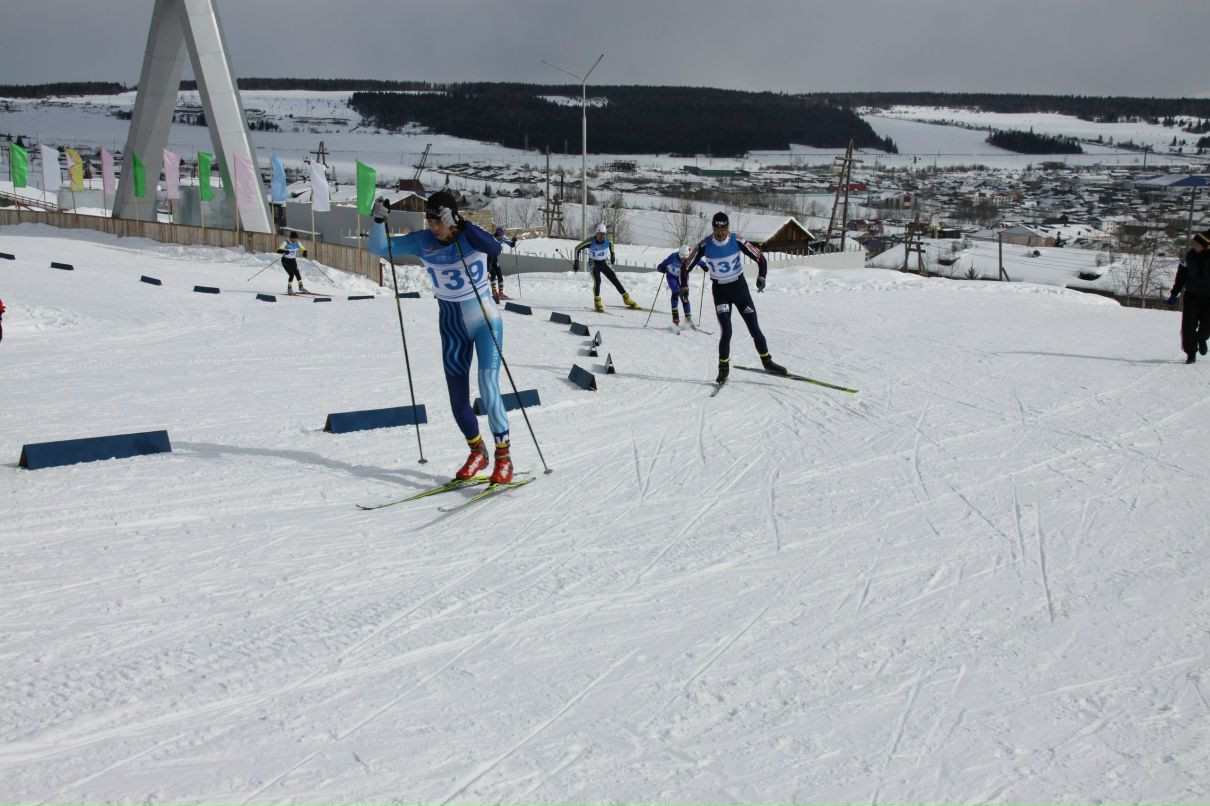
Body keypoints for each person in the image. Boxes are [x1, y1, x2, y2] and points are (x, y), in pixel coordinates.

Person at [369, 191, 514, 484]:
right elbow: (379, 247)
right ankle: (477, 451)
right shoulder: (424, 241)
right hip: (451, 327)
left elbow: (495, 249)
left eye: (439, 221)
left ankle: (503, 457)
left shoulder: (470, 237)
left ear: (452, 218)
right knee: (457, 399)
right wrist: (377, 220)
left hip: (485, 322)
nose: (435, 227)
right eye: (430, 220)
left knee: (487, 385)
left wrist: (461, 224)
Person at [682, 211, 786, 384]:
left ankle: (767, 361)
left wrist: (762, 277)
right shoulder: (705, 245)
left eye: (723, 229)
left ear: (728, 228)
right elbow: (686, 267)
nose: (720, 233)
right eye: (717, 230)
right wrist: (684, 286)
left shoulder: (736, 240)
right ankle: (723, 369)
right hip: (720, 292)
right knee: (727, 330)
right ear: (713, 228)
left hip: (739, 289)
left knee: (753, 327)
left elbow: (760, 257)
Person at [1165, 229, 1210, 364]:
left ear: (1203, 245)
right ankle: (1191, 353)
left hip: (1209, 297)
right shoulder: (1188, 257)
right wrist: (1174, 293)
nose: (1193, 245)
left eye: (1196, 243)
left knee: (1207, 326)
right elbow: (1181, 277)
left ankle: (1201, 338)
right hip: (1191, 296)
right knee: (1188, 326)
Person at [572, 223, 639, 312]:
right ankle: (597, 302)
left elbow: (611, 244)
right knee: (598, 281)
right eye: (600, 234)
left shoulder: (609, 239)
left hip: (604, 263)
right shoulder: (590, 241)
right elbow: (577, 248)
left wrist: (612, 254)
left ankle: (626, 299)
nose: (601, 237)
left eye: (603, 234)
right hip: (594, 263)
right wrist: (576, 261)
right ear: (596, 234)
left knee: (614, 279)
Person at [656, 244, 704, 328]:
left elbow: (699, 261)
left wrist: (704, 266)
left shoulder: (691, 257)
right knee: (676, 292)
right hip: (672, 277)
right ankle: (675, 316)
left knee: (685, 297)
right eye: (681, 258)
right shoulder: (673, 256)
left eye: (685, 258)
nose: (683, 260)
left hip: (683, 277)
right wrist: (662, 269)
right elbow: (660, 266)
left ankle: (688, 319)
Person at [488, 226, 517, 304]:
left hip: (495, 258)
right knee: (493, 274)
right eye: (502, 234)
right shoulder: (491, 238)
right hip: (488, 258)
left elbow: (511, 244)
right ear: (499, 233)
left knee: (500, 274)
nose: (502, 236)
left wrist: (513, 242)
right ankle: (494, 292)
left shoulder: (502, 238)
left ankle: (501, 293)